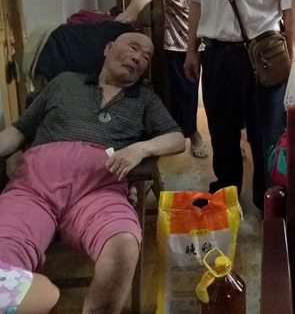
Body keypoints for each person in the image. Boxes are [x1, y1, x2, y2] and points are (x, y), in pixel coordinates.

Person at [0, 33, 186, 313]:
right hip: (33, 188)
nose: (138, 57)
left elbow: (176, 138)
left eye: (146, 57)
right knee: (4, 252)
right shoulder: (63, 82)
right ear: (108, 48)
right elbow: (19, 130)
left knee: (123, 245)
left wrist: (141, 149)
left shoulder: (145, 100)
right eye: (133, 47)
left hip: (99, 191)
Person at [183, 0, 295, 211]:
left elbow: (290, 12)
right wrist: (191, 51)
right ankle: (226, 197)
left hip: (264, 57)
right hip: (217, 56)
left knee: (266, 134)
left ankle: (267, 201)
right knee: (222, 133)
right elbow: (195, 2)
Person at [116, 0, 221, 159]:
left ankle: (225, 139)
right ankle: (193, 133)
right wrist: (132, 11)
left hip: (216, 39)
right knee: (186, 95)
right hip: (181, 41)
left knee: (219, 94)